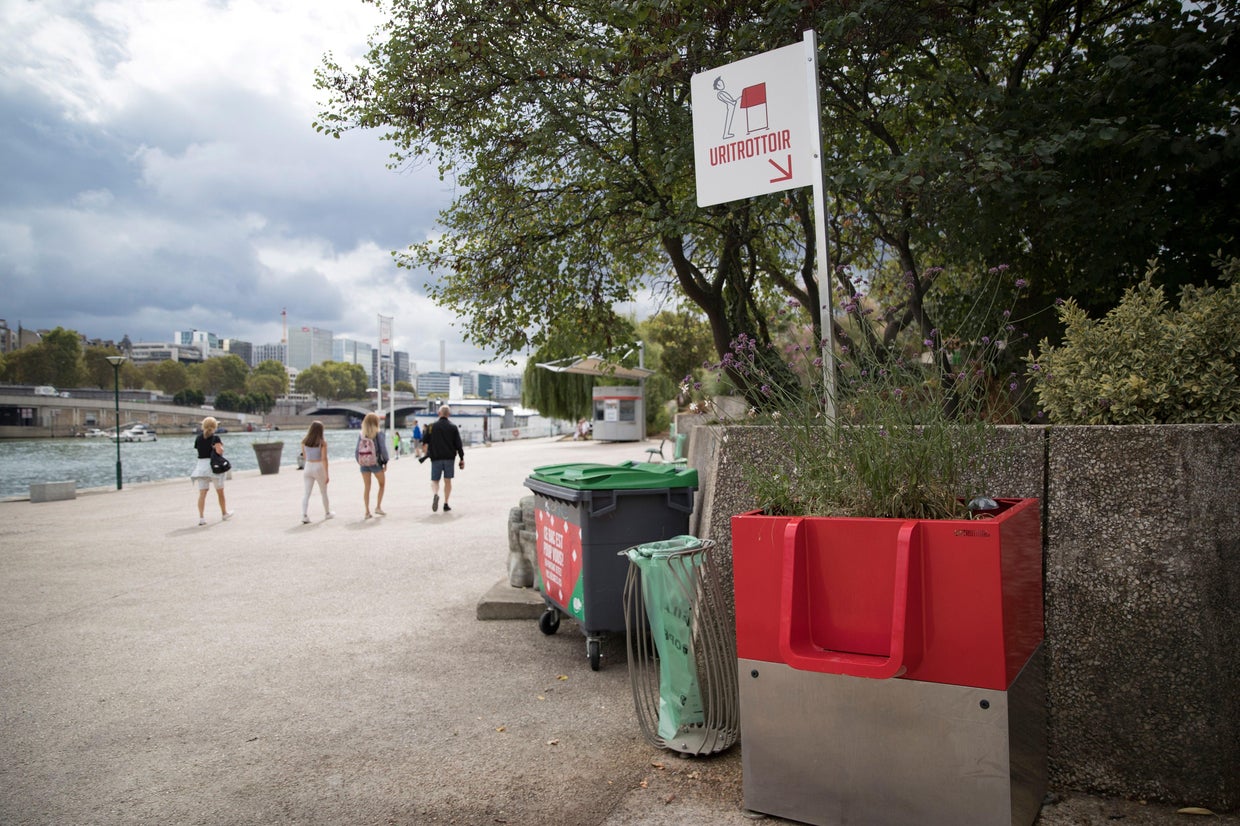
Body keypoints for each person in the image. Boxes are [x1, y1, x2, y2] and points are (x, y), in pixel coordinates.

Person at [191, 416, 233, 526]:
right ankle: (224, 513)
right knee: (220, 491)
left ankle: (201, 518)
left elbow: (199, 451)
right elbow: (219, 451)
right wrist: (220, 448)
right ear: (215, 426)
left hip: (201, 467)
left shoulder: (198, 438)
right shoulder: (216, 438)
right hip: (214, 466)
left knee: (202, 493)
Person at [421, 404, 464, 512]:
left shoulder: (431, 426)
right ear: (448, 414)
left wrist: (427, 452)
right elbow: (458, 444)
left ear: (439, 413)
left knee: (435, 480)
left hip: (436, 457)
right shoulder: (453, 427)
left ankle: (435, 494)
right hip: (449, 458)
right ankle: (446, 503)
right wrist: (461, 458)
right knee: (447, 481)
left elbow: (425, 441)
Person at [299, 420, 334, 524]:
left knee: (306, 493)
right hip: (318, 466)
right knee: (323, 492)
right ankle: (327, 513)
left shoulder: (304, 441)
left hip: (308, 466)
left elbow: (305, 457)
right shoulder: (322, 443)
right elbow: (324, 458)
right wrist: (327, 474)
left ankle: (304, 515)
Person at [356, 411, 389, 519]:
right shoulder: (378, 434)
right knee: (382, 484)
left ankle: (367, 512)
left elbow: (356, 451)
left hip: (364, 464)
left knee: (367, 487)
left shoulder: (361, 434)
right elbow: (383, 449)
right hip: (375, 463)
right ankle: (378, 507)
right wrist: (385, 462)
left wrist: (360, 461)